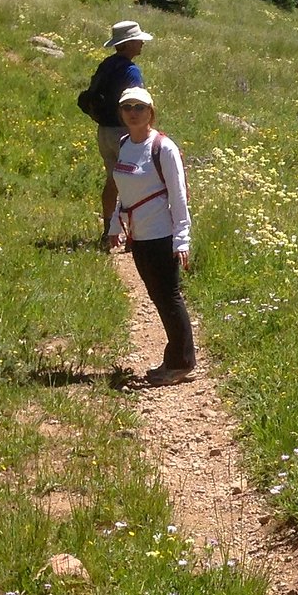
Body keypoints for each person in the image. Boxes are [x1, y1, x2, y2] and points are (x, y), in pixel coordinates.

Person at [109, 86, 195, 386]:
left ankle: (182, 362)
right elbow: (125, 190)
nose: (133, 112)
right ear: (121, 112)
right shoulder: (124, 144)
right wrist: (115, 224)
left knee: (168, 297)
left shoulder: (163, 148)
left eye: (139, 107)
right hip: (139, 235)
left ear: (151, 112)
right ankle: (175, 358)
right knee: (158, 297)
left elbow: (179, 195)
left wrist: (181, 238)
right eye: (127, 107)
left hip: (161, 233)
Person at [88, 21, 151, 250]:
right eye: (138, 39)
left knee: (112, 180)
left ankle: (108, 232)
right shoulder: (131, 71)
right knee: (133, 183)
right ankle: (131, 236)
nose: (142, 43)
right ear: (128, 44)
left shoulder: (107, 65)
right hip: (124, 132)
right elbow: (136, 102)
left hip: (104, 130)